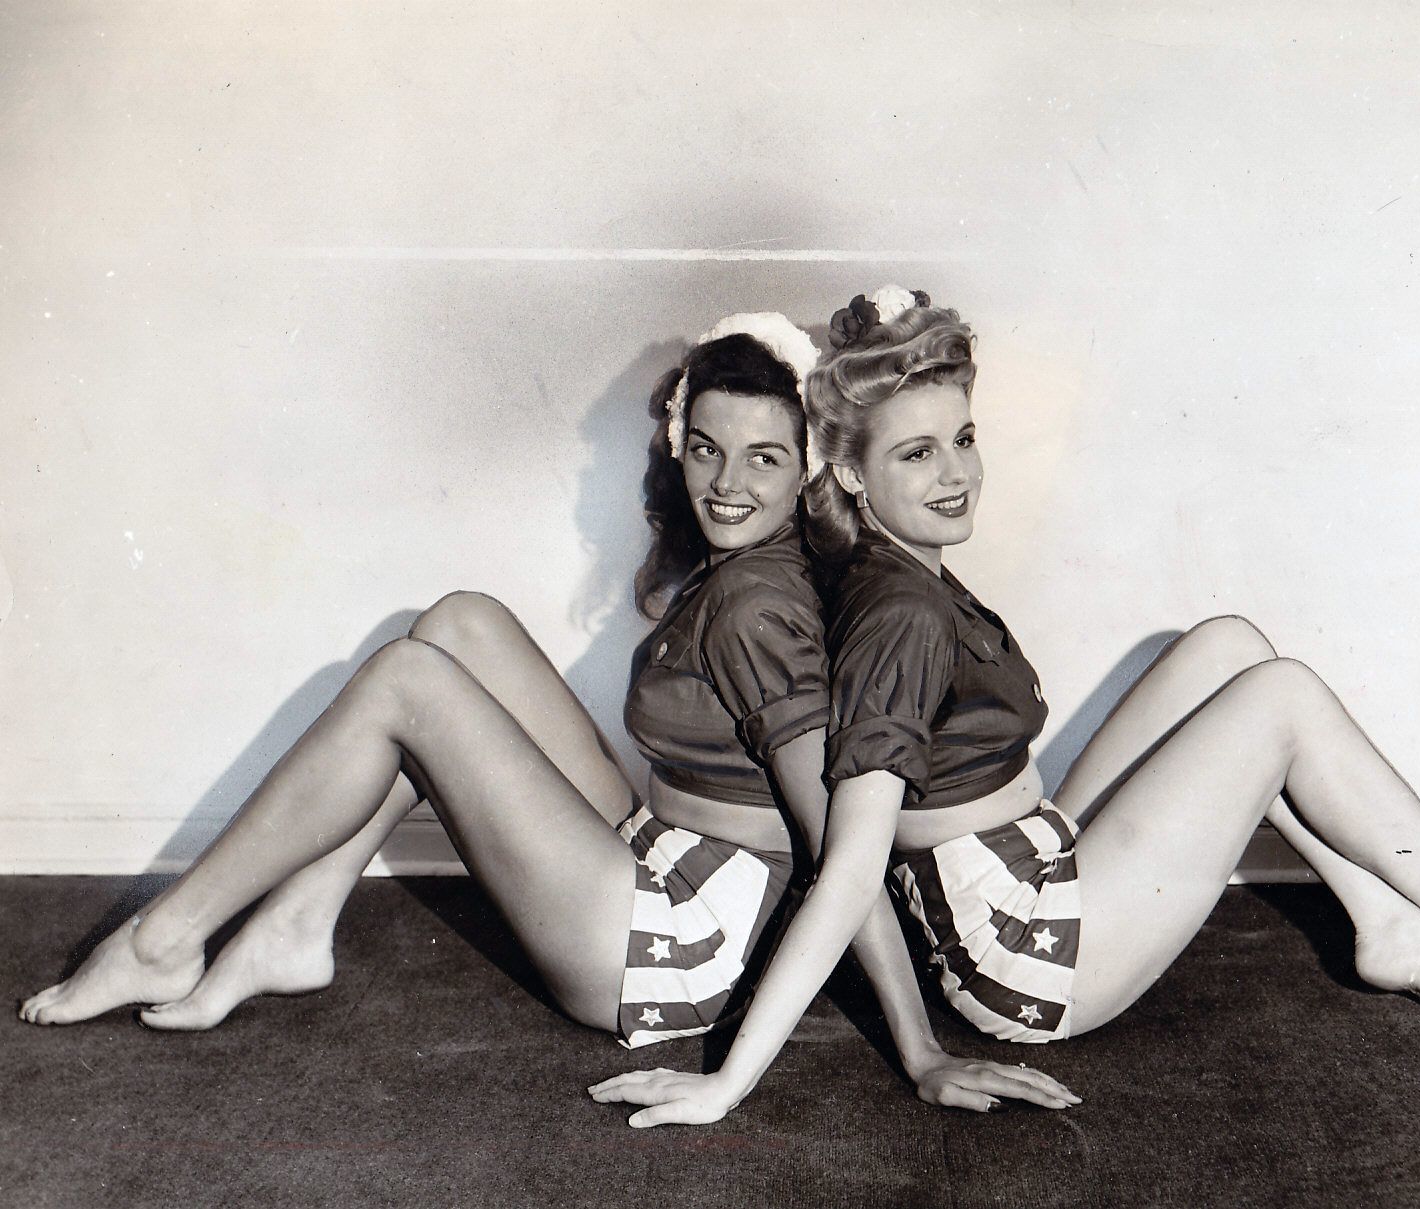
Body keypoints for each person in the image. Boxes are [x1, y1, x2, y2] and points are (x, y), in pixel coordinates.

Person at [589, 287, 1420, 1128]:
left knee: (1227, 648)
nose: (957, 472)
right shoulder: (898, 616)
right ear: (856, 478)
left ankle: (1385, 923)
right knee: (1282, 699)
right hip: (1029, 949)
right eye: (916, 453)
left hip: (1032, 846)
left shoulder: (903, 563)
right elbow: (849, 862)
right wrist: (733, 1083)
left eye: (963, 437)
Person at [20, 312, 1071, 1111]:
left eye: (765, 458)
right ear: (677, 444)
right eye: (707, 448)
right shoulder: (743, 569)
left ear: (809, 473)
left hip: (670, 945)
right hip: (660, 853)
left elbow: (841, 844)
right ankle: (299, 922)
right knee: (460, 623)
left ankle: (167, 936)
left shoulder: (758, 605)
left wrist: (918, 1051)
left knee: (407, 682)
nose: (728, 483)